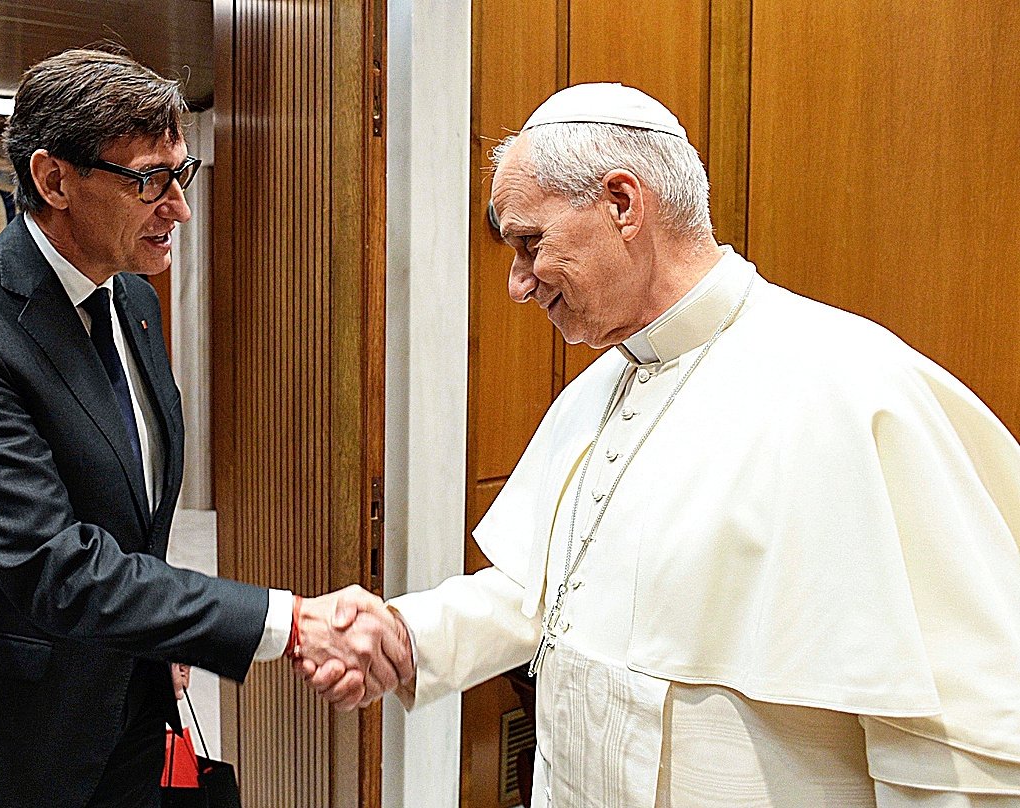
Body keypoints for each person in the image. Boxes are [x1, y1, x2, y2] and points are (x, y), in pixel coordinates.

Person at [302, 84, 1020, 806]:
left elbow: (956, 747)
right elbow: (547, 591)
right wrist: (405, 636)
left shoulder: (853, 387)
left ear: (622, 203)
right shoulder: (603, 385)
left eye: (529, 244)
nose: (518, 284)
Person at [0, 48, 410, 808]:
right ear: (54, 180)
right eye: (148, 180)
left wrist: (162, 632)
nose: (178, 208)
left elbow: (130, 511)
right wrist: (293, 621)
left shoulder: (133, 300)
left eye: (182, 175)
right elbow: (52, 564)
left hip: (125, 705)